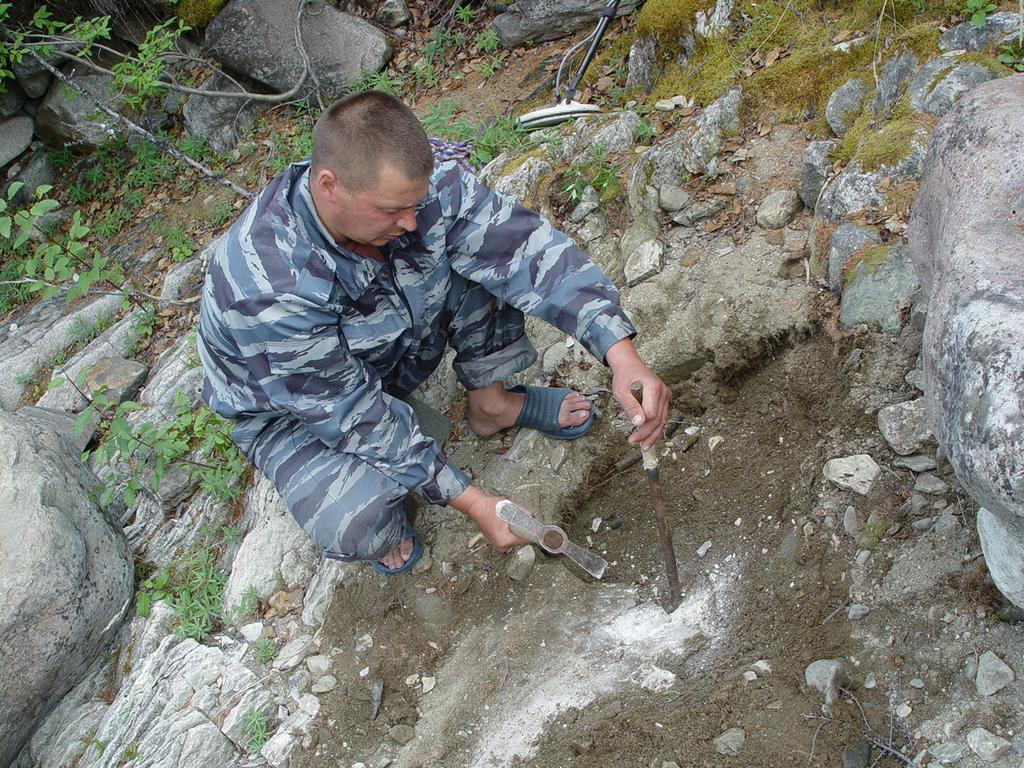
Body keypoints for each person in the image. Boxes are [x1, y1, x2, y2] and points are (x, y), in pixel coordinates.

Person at [197, 91, 669, 574]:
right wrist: (474, 501)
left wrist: (620, 352)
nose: (408, 222)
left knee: (485, 256)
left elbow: (528, 249)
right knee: (361, 523)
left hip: (384, 350)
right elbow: (352, 414)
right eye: (390, 211)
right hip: (292, 410)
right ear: (329, 186)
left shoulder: (417, 188)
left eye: (414, 204)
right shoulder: (267, 288)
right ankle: (380, 522)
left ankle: (492, 404)